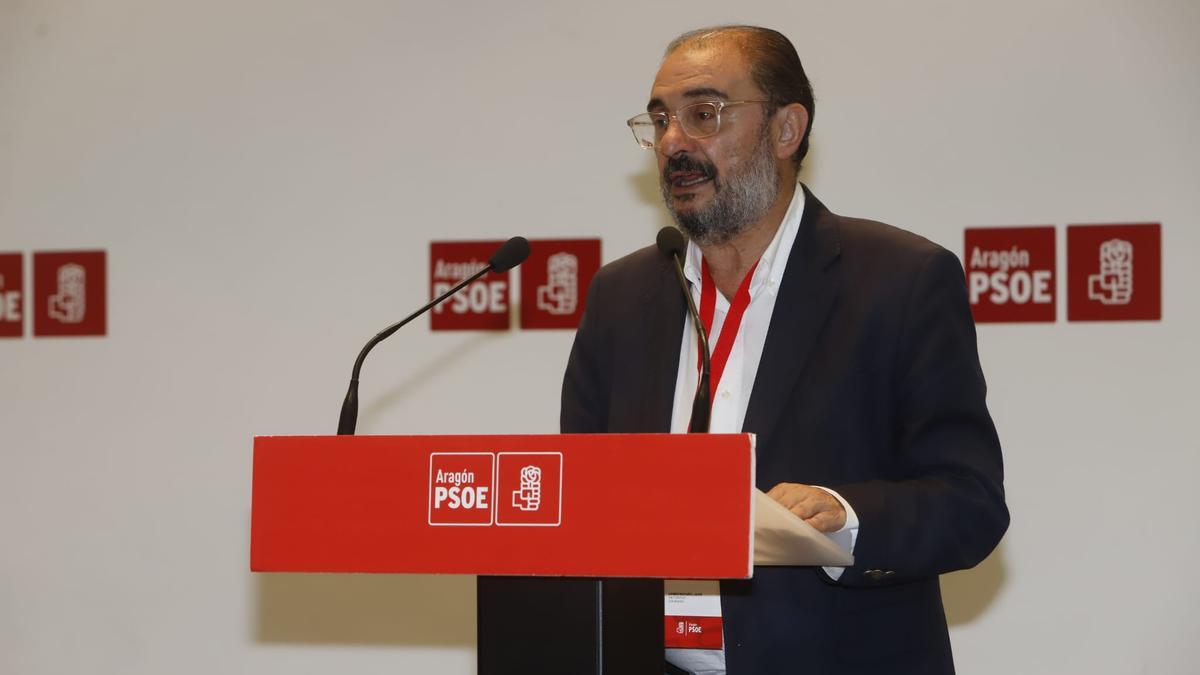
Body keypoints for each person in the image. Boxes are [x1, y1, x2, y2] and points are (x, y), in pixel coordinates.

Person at [560, 25, 1009, 674]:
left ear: (786, 129)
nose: (672, 142)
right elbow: (582, 498)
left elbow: (969, 501)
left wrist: (847, 518)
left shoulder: (898, 281)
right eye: (659, 120)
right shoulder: (622, 296)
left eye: (703, 114)